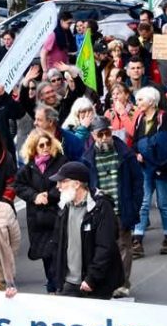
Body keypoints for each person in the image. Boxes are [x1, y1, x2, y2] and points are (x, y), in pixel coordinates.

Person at [81, 117, 142, 296]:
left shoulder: (125, 153)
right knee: (103, 247)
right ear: (93, 136)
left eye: (107, 133)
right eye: (100, 134)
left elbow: (138, 180)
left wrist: (135, 205)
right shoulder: (87, 158)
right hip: (100, 211)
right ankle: (107, 281)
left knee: (124, 246)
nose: (105, 137)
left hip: (122, 208)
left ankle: (122, 284)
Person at [51, 161, 125, 298]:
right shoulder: (65, 207)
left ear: (77, 184)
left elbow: (105, 247)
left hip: (94, 283)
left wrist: (91, 278)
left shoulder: (101, 207)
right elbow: (58, 243)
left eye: (62, 182)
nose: (58, 186)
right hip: (69, 282)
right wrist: (57, 276)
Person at [16, 130, 68, 293]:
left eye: (48, 144)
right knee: (46, 254)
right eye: (41, 145)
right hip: (37, 218)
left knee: (60, 252)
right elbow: (18, 186)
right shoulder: (29, 167)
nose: (46, 148)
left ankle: (61, 285)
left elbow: (66, 182)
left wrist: (50, 195)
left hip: (57, 214)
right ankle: (52, 285)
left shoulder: (60, 161)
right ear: (34, 148)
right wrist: (34, 196)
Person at [132, 86, 167, 258]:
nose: (138, 103)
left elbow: (164, 143)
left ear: (151, 101)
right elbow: (136, 141)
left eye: (140, 100)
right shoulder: (139, 119)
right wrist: (137, 152)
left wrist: (146, 150)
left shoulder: (162, 117)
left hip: (161, 167)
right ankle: (138, 239)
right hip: (145, 167)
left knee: (163, 203)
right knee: (143, 203)